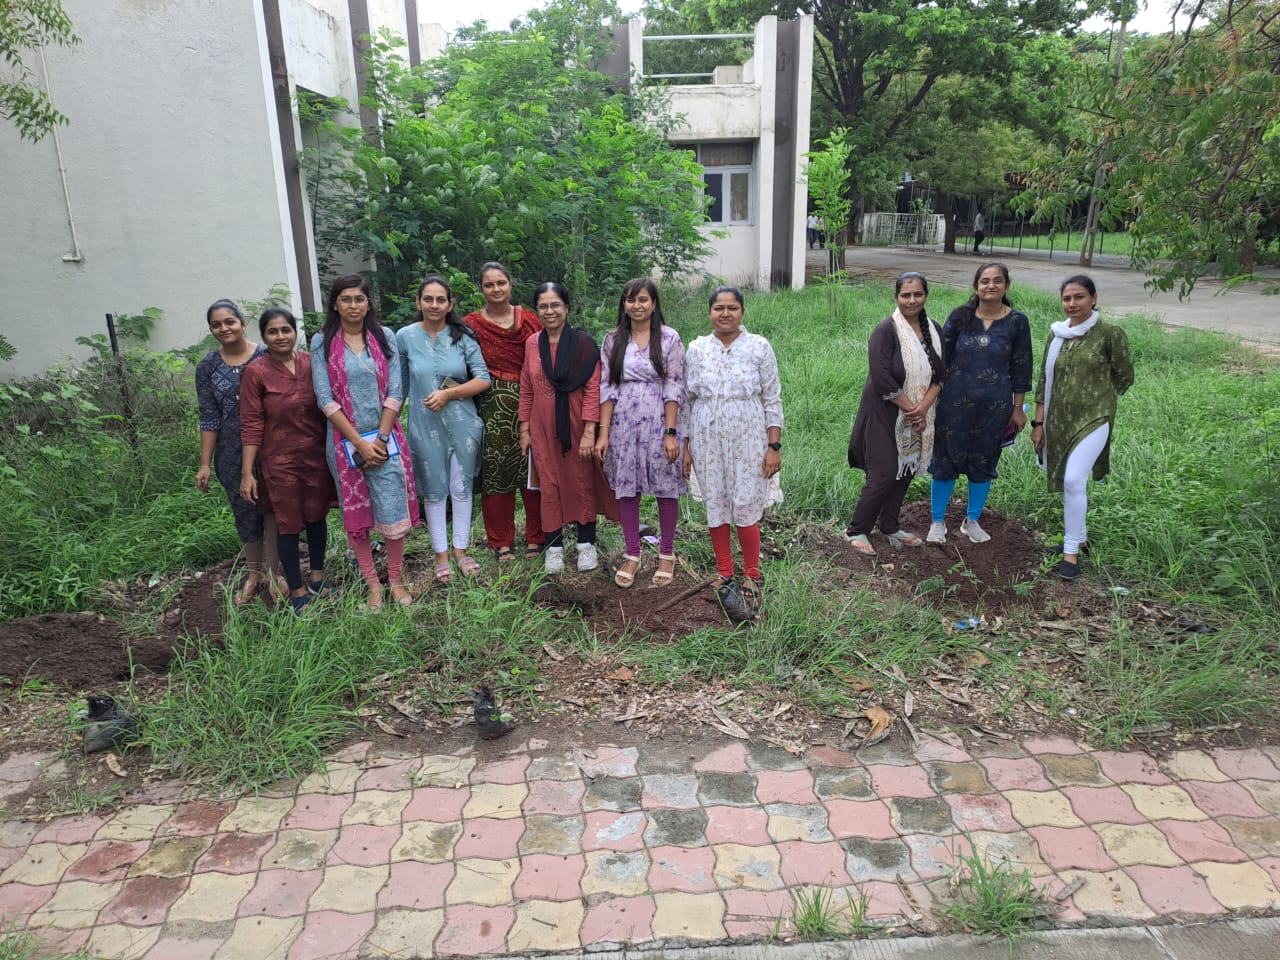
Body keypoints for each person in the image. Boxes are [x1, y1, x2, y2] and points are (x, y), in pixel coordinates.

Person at [312, 275, 419, 609]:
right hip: (345, 444)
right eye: (346, 299)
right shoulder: (322, 342)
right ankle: (373, 585)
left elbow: (396, 391)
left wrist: (381, 439)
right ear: (335, 304)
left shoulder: (384, 337)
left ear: (368, 302)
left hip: (387, 440)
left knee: (392, 509)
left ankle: (396, 580)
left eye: (359, 299)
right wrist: (359, 443)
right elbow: (325, 398)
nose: (353, 306)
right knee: (358, 517)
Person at [682, 286, 783, 622]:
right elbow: (687, 401)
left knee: (745, 503)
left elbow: (772, 398)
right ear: (710, 312)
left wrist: (773, 446)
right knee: (716, 502)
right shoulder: (697, 349)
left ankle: (752, 574)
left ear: (742, 312)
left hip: (749, 437)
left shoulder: (758, 346)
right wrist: (686, 447)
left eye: (732, 308)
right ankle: (724, 571)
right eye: (719, 308)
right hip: (706, 438)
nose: (725, 314)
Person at [1031, 275, 1134, 581]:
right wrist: (1039, 423)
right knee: (1069, 481)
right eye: (1067, 298)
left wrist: (1096, 397)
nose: (1072, 304)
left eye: (1079, 297)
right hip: (1058, 420)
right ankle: (1081, 538)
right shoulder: (1057, 335)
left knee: (1074, 479)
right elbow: (1044, 381)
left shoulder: (1109, 334)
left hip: (1094, 419)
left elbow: (1124, 375)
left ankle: (1070, 553)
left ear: (1094, 298)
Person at [239, 308, 336, 615]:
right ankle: (296, 590)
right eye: (273, 331)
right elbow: (251, 423)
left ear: (295, 332)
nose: (280, 336)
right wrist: (247, 472)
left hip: (317, 455)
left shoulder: (312, 363)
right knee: (288, 523)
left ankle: (317, 577)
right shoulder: (256, 372)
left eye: (286, 330)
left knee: (317, 517)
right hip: (280, 461)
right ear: (264, 337)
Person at [927, 262, 1032, 544]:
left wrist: (1018, 408)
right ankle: (937, 522)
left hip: (995, 408)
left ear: (1006, 286)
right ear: (976, 286)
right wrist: (930, 399)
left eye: (997, 281)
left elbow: (1022, 366)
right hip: (952, 406)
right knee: (945, 460)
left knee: (984, 461)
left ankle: (971, 520)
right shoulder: (960, 317)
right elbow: (940, 359)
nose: (991, 286)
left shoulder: (1017, 322)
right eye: (985, 281)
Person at [518, 282, 618, 574]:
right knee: (548, 486)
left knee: (581, 481)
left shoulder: (582, 344)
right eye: (543, 306)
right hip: (542, 428)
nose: (549, 311)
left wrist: (589, 431)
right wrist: (524, 429)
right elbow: (527, 386)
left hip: (576, 426)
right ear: (537, 310)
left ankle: (586, 544)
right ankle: (554, 547)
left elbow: (593, 388)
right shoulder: (532, 344)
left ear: (567, 308)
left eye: (555, 305)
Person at [398, 276, 492, 584]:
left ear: (450, 305)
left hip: (463, 422)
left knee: (461, 488)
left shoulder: (462, 337)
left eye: (441, 300)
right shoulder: (405, 337)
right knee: (435, 490)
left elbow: (483, 378)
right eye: (428, 299)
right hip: (425, 425)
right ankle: (440, 554)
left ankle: (461, 550)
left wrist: (449, 394)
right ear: (418, 302)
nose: (434, 305)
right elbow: (398, 386)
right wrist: (388, 428)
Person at [595, 278, 686, 588]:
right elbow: (607, 387)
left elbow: (674, 385)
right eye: (631, 300)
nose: (637, 306)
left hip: (659, 421)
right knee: (627, 487)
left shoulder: (669, 338)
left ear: (654, 303)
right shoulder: (613, 340)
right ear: (624, 305)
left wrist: (670, 432)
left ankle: (666, 553)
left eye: (643, 299)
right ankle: (633, 553)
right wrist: (603, 433)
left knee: (665, 486)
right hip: (623, 424)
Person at [845, 273, 945, 555]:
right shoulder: (885, 330)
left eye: (917, 294)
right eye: (906, 295)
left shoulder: (934, 330)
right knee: (885, 473)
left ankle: (889, 525)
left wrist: (923, 408)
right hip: (883, 412)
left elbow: (942, 375)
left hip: (919, 416)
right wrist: (913, 409)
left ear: (926, 296)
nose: (912, 300)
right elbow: (882, 378)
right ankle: (856, 529)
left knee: (906, 470)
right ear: (896, 297)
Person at [195, 299, 280, 606]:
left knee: (273, 510)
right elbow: (209, 417)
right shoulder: (207, 367)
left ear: (243, 324)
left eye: (229, 321)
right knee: (245, 512)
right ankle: (254, 574)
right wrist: (205, 464)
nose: (224, 328)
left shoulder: (267, 356)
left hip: (272, 448)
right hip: (231, 452)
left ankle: (274, 572)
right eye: (216, 325)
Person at [463, 262, 545, 563]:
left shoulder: (530, 320)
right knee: (496, 472)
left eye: (501, 282)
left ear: (510, 284)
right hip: (491, 407)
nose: (496, 289)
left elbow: (546, 357)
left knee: (534, 467)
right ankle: (501, 540)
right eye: (489, 284)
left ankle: (537, 535)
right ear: (481, 289)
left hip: (532, 402)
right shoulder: (471, 325)